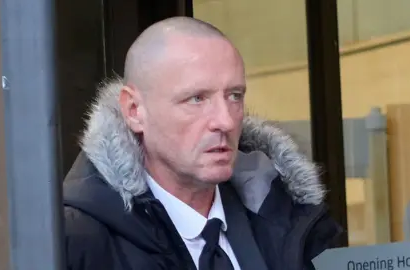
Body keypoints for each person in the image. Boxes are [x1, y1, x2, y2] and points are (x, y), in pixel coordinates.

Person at [63, 16, 343, 270]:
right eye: (196, 98)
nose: (226, 121)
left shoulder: (290, 218)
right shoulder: (75, 242)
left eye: (234, 95)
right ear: (135, 110)